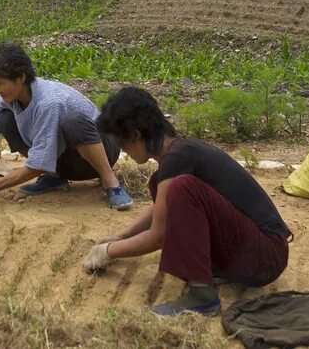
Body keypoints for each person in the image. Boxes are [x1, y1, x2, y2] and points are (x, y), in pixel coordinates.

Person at [82, 87, 291, 317]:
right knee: (162, 183)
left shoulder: (178, 158)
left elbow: (158, 235)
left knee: (182, 189)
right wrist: (121, 235)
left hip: (266, 256)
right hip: (257, 252)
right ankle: (213, 269)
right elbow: (161, 210)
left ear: (136, 135)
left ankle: (202, 297)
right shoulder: (178, 153)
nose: (125, 151)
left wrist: (109, 251)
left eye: (123, 145)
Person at [0, 42, 132, 210]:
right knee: (4, 119)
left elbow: (39, 163)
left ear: (21, 78)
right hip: (66, 159)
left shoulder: (49, 102)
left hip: (101, 150)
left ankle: (111, 183)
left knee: (73, 121)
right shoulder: (4, 100)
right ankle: (54, 177)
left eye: (0, 82)